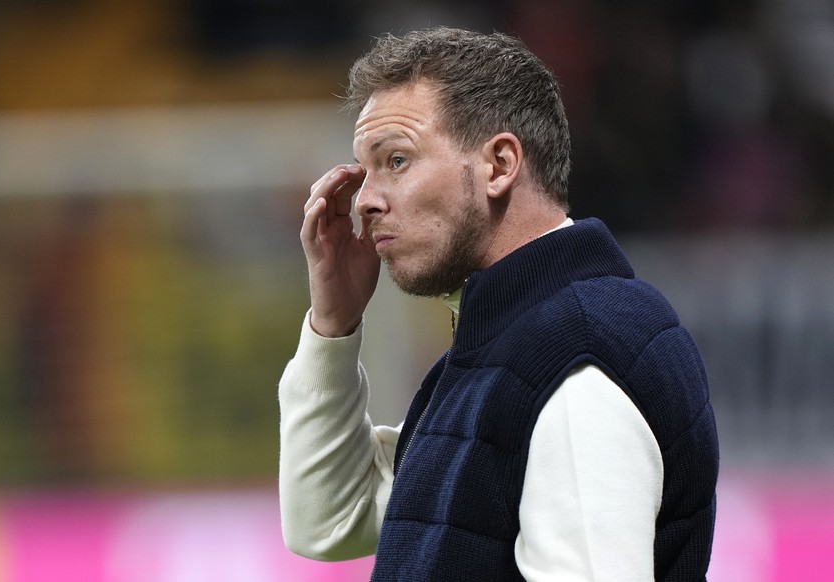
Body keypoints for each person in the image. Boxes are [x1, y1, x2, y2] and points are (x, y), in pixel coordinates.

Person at [278, 26, 719, 581]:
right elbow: (330, 522)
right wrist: (333, 325)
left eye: (395, 161)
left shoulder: (577, 357)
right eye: (364, 172)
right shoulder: (502, 348)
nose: (363, 201)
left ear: (500, 165)